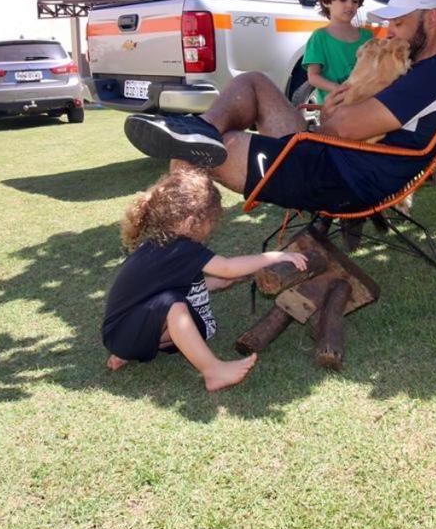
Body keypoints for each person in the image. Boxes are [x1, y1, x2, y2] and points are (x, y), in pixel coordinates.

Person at [123, 0, 436, 213]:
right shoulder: (415, 68)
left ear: (432, 19)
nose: (390, 32)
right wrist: (331, 116)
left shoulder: (433, 75)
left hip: (344, 178)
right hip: (330, 153)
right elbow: (345, 122)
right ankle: (200, 130)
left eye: (400, 24)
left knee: (210, 151)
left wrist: (330, 114)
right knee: (253, 82)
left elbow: (345, 127)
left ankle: (169, 248)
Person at [102, 167, 307, 391]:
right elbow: (227, 267)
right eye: (211, 220)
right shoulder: (181, 248)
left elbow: (176, 287)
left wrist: (221, 282)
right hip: (124, 334)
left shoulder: (163, 246)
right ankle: (213, 371)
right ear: (191, 222)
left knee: (179, 310)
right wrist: (274, 256)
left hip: (128, 332)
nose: (213, 227)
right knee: (174, 306)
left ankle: (127, 351)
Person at [302, 0, 373, 105]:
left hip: (365, 105)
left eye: (355, 1)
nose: (350, 5)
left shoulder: (367, 36)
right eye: (343, 0)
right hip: (334, 107)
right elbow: (313, 76)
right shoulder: (319, 37)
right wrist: (339, 89)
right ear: (326, 1)